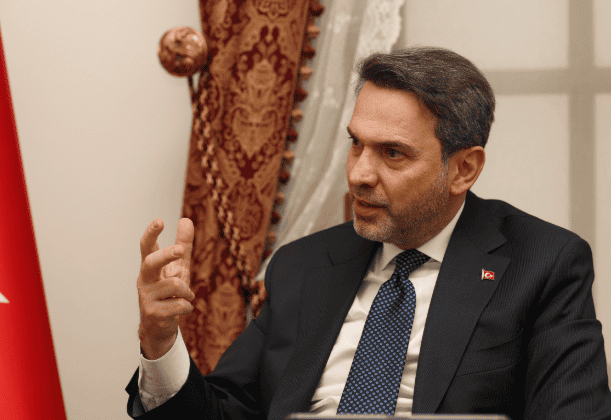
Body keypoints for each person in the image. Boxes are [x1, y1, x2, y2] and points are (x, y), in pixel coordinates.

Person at [126, 47, 611, 420]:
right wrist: (161, 341)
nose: (358, 174)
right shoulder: (303, 266)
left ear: (464, 169)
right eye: (356, 144)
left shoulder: (541, 263)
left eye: (392, 153)